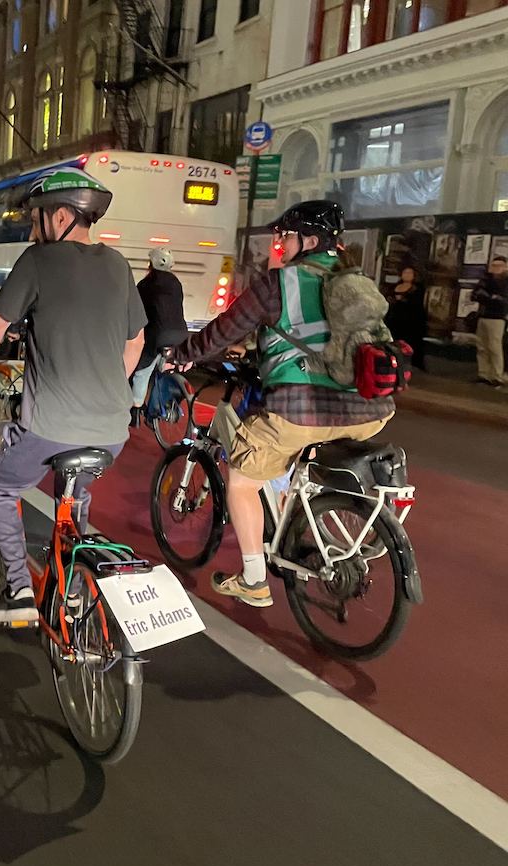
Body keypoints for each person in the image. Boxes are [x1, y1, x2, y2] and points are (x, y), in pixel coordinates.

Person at [172, 200, 395, 608]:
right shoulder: (354, 282)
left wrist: (186, 352)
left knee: (241, 478)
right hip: (369, 411)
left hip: (302, 411)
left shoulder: (278, 283)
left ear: (308, 240)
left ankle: (254, 580)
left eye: (286, 236)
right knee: (289, 458)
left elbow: (224, 329)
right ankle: (300, 522)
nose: (280, 245)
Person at [0, 168, 144, 624]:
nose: (31, 227)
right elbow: (136, 342)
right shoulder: (118, 264)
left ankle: (19, 590)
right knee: (74, 498)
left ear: (61, 217)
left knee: (0, 488)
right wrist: (109, 383)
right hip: (113, 429)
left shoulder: (37, 261)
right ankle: (73, 590)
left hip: (49, 426)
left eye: (36, 218)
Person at [129, 247, 187, 426]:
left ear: (151, 265)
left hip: (158, 335)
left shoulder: (146, 285)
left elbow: (137, 312)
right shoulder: (176, 283)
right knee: (163, 366)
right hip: (181, 335)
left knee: (141, 370)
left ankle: (135, 412)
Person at [473, 255, 508, 388]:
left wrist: (488, 297)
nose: (495, 269)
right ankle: (484, 375)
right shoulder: (485, 279)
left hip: (497, 318)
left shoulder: (505, 282)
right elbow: (475, 295)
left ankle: (497, 377)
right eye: (493, 265)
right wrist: (490, 298)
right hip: (483, 316)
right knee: (482, 347)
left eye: (499, 266)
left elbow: (502, 301)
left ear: (505, 267)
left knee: (494, 347)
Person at [384, 264, 427, 371]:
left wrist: (403, 300)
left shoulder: (417, 289)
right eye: (405, 273)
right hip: (394, 319)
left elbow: (416, 304)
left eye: (409, 273)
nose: (407, 275)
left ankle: (412, 363)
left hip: (410, 321)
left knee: (410, 342)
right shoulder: (394, 287)